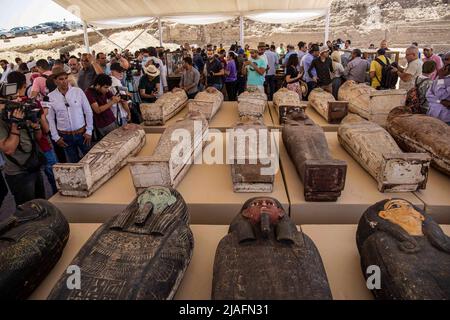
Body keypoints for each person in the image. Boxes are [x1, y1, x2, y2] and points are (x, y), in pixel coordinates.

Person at [0, 72, 46, 205]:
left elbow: (38, 137)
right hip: (18, 173)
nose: (18, 101)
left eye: (16, 97)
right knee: (28, 211)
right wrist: (15, 124)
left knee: (42, 205)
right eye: (12, 99)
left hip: (33, 165)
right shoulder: (3, 119)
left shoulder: (20, 110)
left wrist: (35, 125)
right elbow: (9, 149)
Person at [47, 68, 94, 163]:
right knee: (73, 162)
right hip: (65, 137)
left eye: (65, 78)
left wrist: (89, 130)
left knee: (90, 160)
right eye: (61, 79)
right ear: (55, 81)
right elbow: (50, 118)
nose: (64, 81)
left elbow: (88, 111)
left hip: (82, 134)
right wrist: (55, 137)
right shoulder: (50, 97)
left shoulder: (78, 92)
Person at [85, 74, 119, 139]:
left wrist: (118, 98)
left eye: (108, 87)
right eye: (106, 87)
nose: (107, 90)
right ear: (98, 85)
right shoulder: (89, 93)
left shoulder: (104, 88)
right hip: (103, 124)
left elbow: (113, 97)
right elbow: (97, 110)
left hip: (112, 119)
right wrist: (112, 102)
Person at [426, 52, 450, 124]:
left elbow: (441, 95)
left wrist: (441, 78)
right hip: (433, 115)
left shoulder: (441, 76)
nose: (448, 62)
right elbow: (428, 95)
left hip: (446, 118)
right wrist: (440, 101)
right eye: (446, 59)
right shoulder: (441, 75)